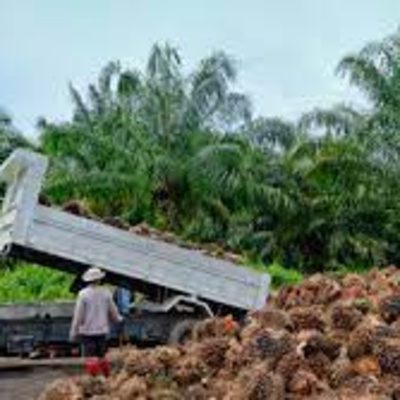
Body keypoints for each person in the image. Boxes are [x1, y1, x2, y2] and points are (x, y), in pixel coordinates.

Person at [70, 266, 123, 376]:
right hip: (102, 331)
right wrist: (119, 319)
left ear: (88, 280)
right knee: (102, 357)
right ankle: (107, 378)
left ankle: (94, 381)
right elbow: (113, 312)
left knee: (91, 358)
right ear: (99, 279)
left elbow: (78, 316)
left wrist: (74, 332)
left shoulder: (83, 294)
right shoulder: (106, 293)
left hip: (87, 332)